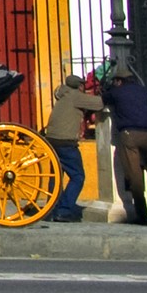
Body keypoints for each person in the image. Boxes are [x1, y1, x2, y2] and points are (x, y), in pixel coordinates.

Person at [101, 66, 147, 226]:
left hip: (130, 135)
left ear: (119, 81)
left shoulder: (117, 92)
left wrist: (107, 89)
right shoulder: (143, 91)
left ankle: (142, 215)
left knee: (135, 175)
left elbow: (103, 99)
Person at [42, 73, 104, 221]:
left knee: (56, 176)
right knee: (78, 176)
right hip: (66, 142)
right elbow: (99, 104)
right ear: (80, 86)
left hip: (51, 140)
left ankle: (52, 208)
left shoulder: (63, 95)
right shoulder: (75, 96)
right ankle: (64, 210)